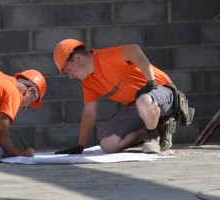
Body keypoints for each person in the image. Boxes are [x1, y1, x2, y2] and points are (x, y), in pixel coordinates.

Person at [52, 39, 193, 154]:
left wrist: (151, 81)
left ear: (77, 58)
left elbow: (134, 49)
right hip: (139, 106)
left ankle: (152, 138)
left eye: (68, 69)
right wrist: (80, 146)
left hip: (163, 92)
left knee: (143, 99)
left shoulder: (106, 57)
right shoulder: (88, 82)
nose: (70, 76)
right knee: (108, 145)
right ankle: (158, 128)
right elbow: (89, 113)